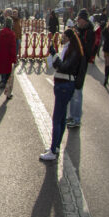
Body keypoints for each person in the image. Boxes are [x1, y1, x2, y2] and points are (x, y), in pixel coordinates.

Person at [40, 27, 84, 161]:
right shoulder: (70, 49)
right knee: (62, 117)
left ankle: (53, 150)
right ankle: (56, 146)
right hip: (64, 85)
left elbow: (64, 67)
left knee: (57, 119)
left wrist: (55, 57)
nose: (62, 38)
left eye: (64, 36)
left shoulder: (73, 51)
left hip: (64, 85)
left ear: (70, 38)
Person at [67, 10, 96, 128]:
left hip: (81, 64)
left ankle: (76, 119)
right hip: (74, 63)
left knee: (78, 91)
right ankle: (72, 115)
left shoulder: (89, 32)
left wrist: (78, 40)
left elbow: (88, 50)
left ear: (84, 20)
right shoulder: (78, 29)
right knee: (72, 91)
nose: (78, 21)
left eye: (80, 20)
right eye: (78, 19)